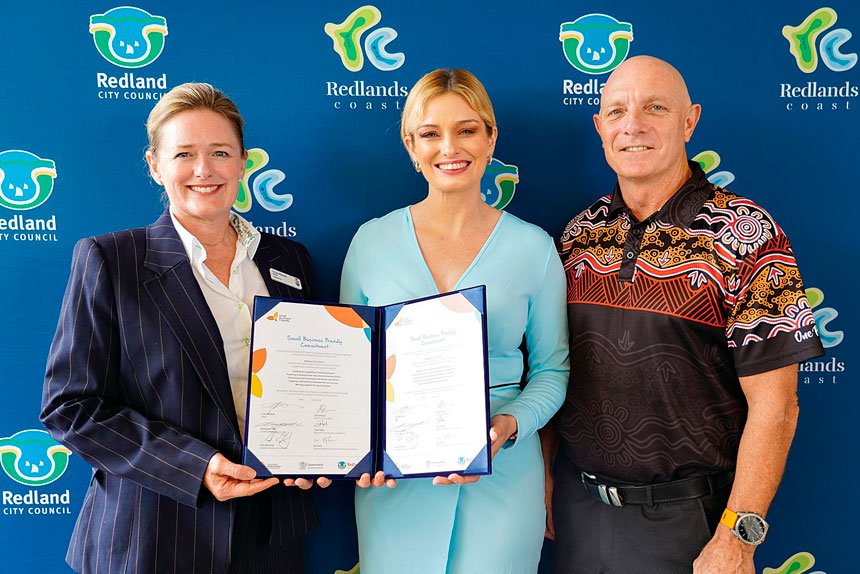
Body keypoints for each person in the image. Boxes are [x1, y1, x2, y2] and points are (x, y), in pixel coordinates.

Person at [542, 55, 825, 574]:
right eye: (618, 111)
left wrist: (738, 537)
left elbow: (777, 409)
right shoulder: (576, 237)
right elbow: (553, 370)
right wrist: (541, 478)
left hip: (692, 525)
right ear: (599, 126)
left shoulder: (748, 235)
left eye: (655, 108)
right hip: (577, 515)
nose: (634, 125)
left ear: (689, 120)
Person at [41, 82, 329, 574]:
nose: (204, 170)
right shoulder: (112, 260)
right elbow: (70, 407)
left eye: (220, 152)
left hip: (269, 538)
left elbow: (316, 379)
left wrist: (321, 451)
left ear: (243, 163)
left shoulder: (290, 261)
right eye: (185, 154)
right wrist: (196, 468)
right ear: (155, 165)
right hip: (152, 538)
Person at [339, 68, 570, 573]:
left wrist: (509, 425)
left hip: (503, 475)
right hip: (396, 483)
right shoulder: (369, 243)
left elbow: (554, 371)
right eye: (431, 133)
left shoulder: (535, 248)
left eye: (466, 129)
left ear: (491, 139)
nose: (450, 147)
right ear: (411, 145)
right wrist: (357, 448)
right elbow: (349, 373)